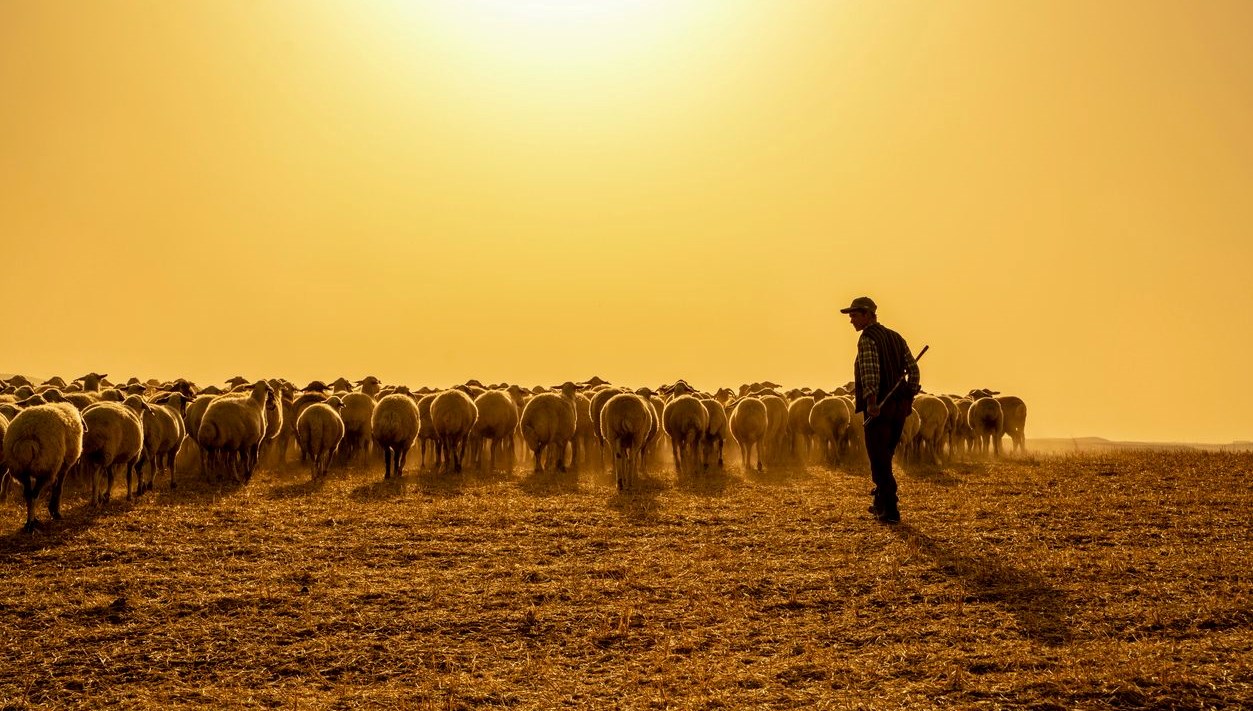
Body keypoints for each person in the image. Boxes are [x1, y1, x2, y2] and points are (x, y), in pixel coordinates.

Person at [840, 296, 920, 524]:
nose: (851, 320)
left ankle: (890, 509)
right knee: (887, 454)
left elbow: (870, 372)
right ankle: (880, 502)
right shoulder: (896, 337)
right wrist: (909, 395)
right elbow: (914, 370)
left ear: (868, 315)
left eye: (855, 315)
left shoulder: (867, 339)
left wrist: (872, 402)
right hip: (899, 408)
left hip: (879, 408)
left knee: (878, 458)